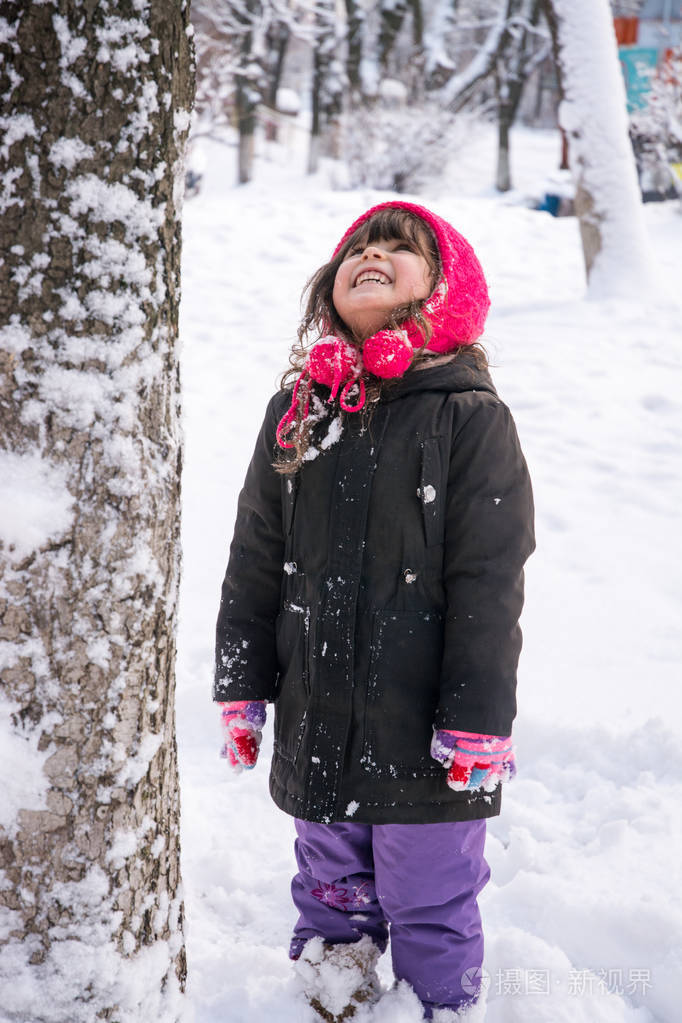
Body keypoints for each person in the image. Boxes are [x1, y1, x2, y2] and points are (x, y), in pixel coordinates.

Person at [214, 201, 535, 1021]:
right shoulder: (299, 409)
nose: (374, 254)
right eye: (359, 246)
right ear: (331, 285)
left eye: (400, 248)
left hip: (428, 736)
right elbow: (255, 553)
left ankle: (439, 1010)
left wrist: (477, 720)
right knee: (330, 896)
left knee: (430, 901)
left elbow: (490, 579)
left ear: (445, 289)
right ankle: (334, 1001)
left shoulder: (469, 415)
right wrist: (242, 682)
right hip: (318, 718)